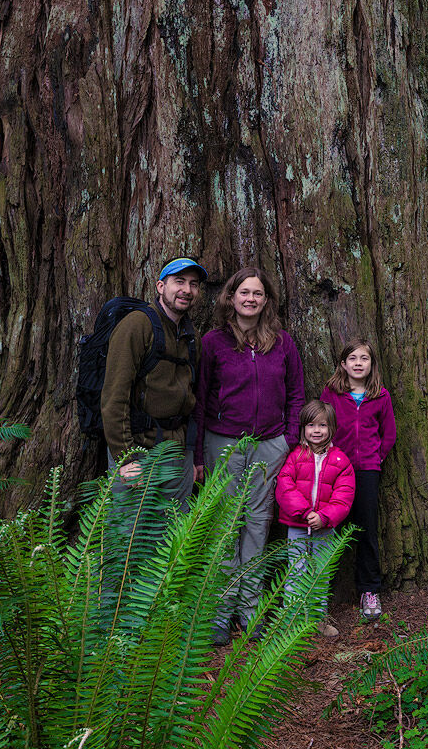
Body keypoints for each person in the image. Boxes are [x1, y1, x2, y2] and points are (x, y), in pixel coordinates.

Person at [193, 266, 306, 645]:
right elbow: (200, 397)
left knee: (257, 525)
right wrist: (197, 454)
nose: (250, 299)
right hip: (222, 442)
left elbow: (295, 394)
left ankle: (251, 609)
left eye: (258, 293)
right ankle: (221, 614)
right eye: (244, 292)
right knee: (226, 526)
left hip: (269, 444)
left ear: (266, 300)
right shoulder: (212, 342)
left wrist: (287, 440)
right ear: (231, 296)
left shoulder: (282, 342)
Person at [101, 256, 204, 505]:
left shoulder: (192, 336)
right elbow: (114, 397)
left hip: (177, 453)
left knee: (172, 530)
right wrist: (126, 458)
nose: (186, 290)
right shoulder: (137, 326)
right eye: (179, 281)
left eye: (193, 284)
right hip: (138, 450)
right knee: (130, 532)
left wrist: (189, 458)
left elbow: (191, 397)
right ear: (160, 286)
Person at [318, 338, 395, 620]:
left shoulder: (380, 395)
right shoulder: (332, 392)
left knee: (365, 530)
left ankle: (369, 591)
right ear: (343, 364)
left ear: (371, 364)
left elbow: (389, 435)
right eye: (352, 359)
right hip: (336, 470)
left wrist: (375, 458)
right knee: (329, 529)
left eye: (364, 359)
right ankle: (319, 594)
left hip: (367, 472)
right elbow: (323, 425)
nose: (358, 363)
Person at [274, 400, 356, 638]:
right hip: (297, 528)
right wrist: (305, 513)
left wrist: (324, 517)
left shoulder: (341, 461)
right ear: (303, 428)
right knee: (296, 572)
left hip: (325, 529)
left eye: (322, 425)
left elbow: (344, 496)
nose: (317, 430)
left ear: (331, 428)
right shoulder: (295, 456)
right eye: (311, 425)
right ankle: (291, 621)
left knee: (320, 573)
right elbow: (285, 487)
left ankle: (318, 620)